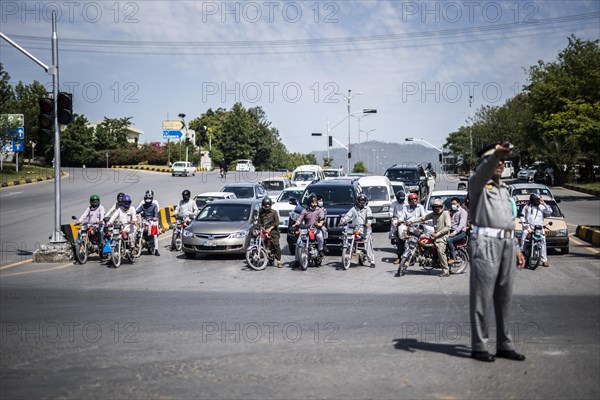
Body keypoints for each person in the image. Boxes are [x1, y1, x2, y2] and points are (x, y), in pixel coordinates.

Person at [468, 143, 526, 362]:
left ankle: (504, 344)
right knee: (482, 298)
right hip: (486, 242)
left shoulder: (503, 189)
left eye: (503, 160)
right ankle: (479, 346)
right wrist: (495, 155)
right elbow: (484, 170)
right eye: (496, 160)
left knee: (505, 298)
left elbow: (508, 221)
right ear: (486, 161)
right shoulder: (478, 183)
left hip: (507, 245)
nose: (500, 163)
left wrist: (518, 248)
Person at [407, 198, 451, 277]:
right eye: (435, 207)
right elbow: (423, 218)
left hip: (443, 236)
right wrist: (411, 221)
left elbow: (448, 227)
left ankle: (446, 270)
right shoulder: (433, 214)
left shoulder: (445, 214)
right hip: (434, 234)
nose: (437, 208)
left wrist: (438, 234)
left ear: (442, 206)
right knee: (422, 239)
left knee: (440, 251)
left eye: (438, 206)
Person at [339, 194, 376, 268]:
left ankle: (372, 261)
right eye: (361, 201)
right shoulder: (354, 209)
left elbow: (369, 217)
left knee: (367, 245)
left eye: (363, 201)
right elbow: (348, 216)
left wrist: (368, 223)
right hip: (354, 229)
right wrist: (342, 221)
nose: (362, 203)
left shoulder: (367, 209)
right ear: (357, 201)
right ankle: (348, 250)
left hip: (365, 230)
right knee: (346, 236)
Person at [291, 194, 326, 268]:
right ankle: (297, 261)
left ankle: (320, 250)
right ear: (309, 203)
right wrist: (296, 223)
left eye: (315, 202)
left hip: (316, 229)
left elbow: (322, 218)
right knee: (298, 243)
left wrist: (320, 223)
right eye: (313, 203)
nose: (314, 204)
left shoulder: (319, 210)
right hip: (306, 229)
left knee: (320, 237)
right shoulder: (305, 210)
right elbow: (299, 219)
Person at [520, 193, 553, 267]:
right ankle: (522, 250)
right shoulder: (526, 207)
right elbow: (522, 216)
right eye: (538, 200)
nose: (539, 201)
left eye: (540, 200)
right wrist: (524, 225)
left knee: (543, 241)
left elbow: (550, 211)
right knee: (524, 234)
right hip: (529, 227)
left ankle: (544, 260)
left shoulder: (542, 207)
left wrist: (544, 203)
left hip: (539, 228)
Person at [258, 197, 283, 268]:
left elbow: (277, 222)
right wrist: (260, 227)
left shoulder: (274, 212)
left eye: (268, 204)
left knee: (276, 244)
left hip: (273, 230)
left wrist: (270, 228)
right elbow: (259, 221)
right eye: (265, 204)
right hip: (263, 230)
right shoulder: (261, 212)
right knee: (257, 240)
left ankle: (279, 261)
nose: (266, 206)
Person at [136, 192, 161, 256]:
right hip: (144, 221)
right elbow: (137, 211)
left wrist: (154, 218)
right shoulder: (143, 206)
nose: (147, 201)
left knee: (155, 235)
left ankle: (156, 249)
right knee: (138, 231)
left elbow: (156, 214)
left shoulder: (154, 206)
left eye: (149, 200)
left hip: (152, 221)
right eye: (146, 199)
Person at [447, 196, 469, 264]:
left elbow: (461, 225)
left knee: (449, 240)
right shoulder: (452, 212)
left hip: (460, 233)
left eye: (454, 204)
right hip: (451, 231)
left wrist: (454, 233)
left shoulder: (463, 212)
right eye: (452, 204)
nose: (453, 205)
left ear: (458, 203)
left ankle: (453, 258)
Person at [389, 190, 408, 264]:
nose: (401, 201)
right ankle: (393, 237)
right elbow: (391, 211)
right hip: (397, 221)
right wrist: (391, 214)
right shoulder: (394, 203)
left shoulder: (406, 204)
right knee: (394, 226)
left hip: (406, 222)